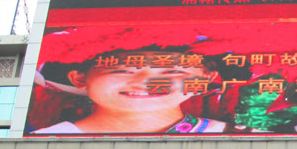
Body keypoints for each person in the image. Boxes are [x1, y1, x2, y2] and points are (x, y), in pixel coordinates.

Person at [30, 45, 235, 135]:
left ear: (206, 78)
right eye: (121, 70)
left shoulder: (232, 136)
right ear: (79, 78)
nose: (144, 82)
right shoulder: (46, 141)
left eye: (171, 70)